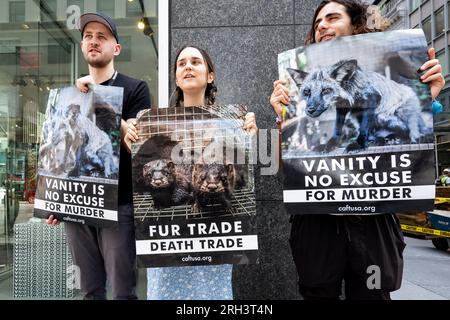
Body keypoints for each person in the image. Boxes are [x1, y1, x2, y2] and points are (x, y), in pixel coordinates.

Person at [270, 0, 445, 300]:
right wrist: (283, 122)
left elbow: (413, 155)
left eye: (332, 17)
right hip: (318, 220)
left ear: (356, 25)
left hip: (372, 220)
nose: (322, 25)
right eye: (317, 23)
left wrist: (428, 96)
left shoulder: (367, 85)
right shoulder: (305, 84)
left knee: (372, 295)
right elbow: (280, 166)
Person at [126, 45, 256, 300]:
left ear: (210, 75)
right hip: (168, 244)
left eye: (195, 61)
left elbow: (243, 181)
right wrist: (131, 138)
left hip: (214, 238)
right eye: (181, 63)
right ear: (176, 77)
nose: (188, 66)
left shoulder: (232, 124)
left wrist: (250, 137)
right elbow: (141, 181)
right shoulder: (152, 126)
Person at [46, 13, 151, 300]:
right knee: (90, 291)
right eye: (88, 36)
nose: (93, 41)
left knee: (122, 291)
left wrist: (97, 97)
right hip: (78, 207)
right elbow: (62, 150)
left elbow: (139, 147)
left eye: (101, 37)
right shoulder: (67, 97)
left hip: (119, 206)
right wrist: (56, 199)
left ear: (116, 48)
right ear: (82, 46)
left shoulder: (136, 89)